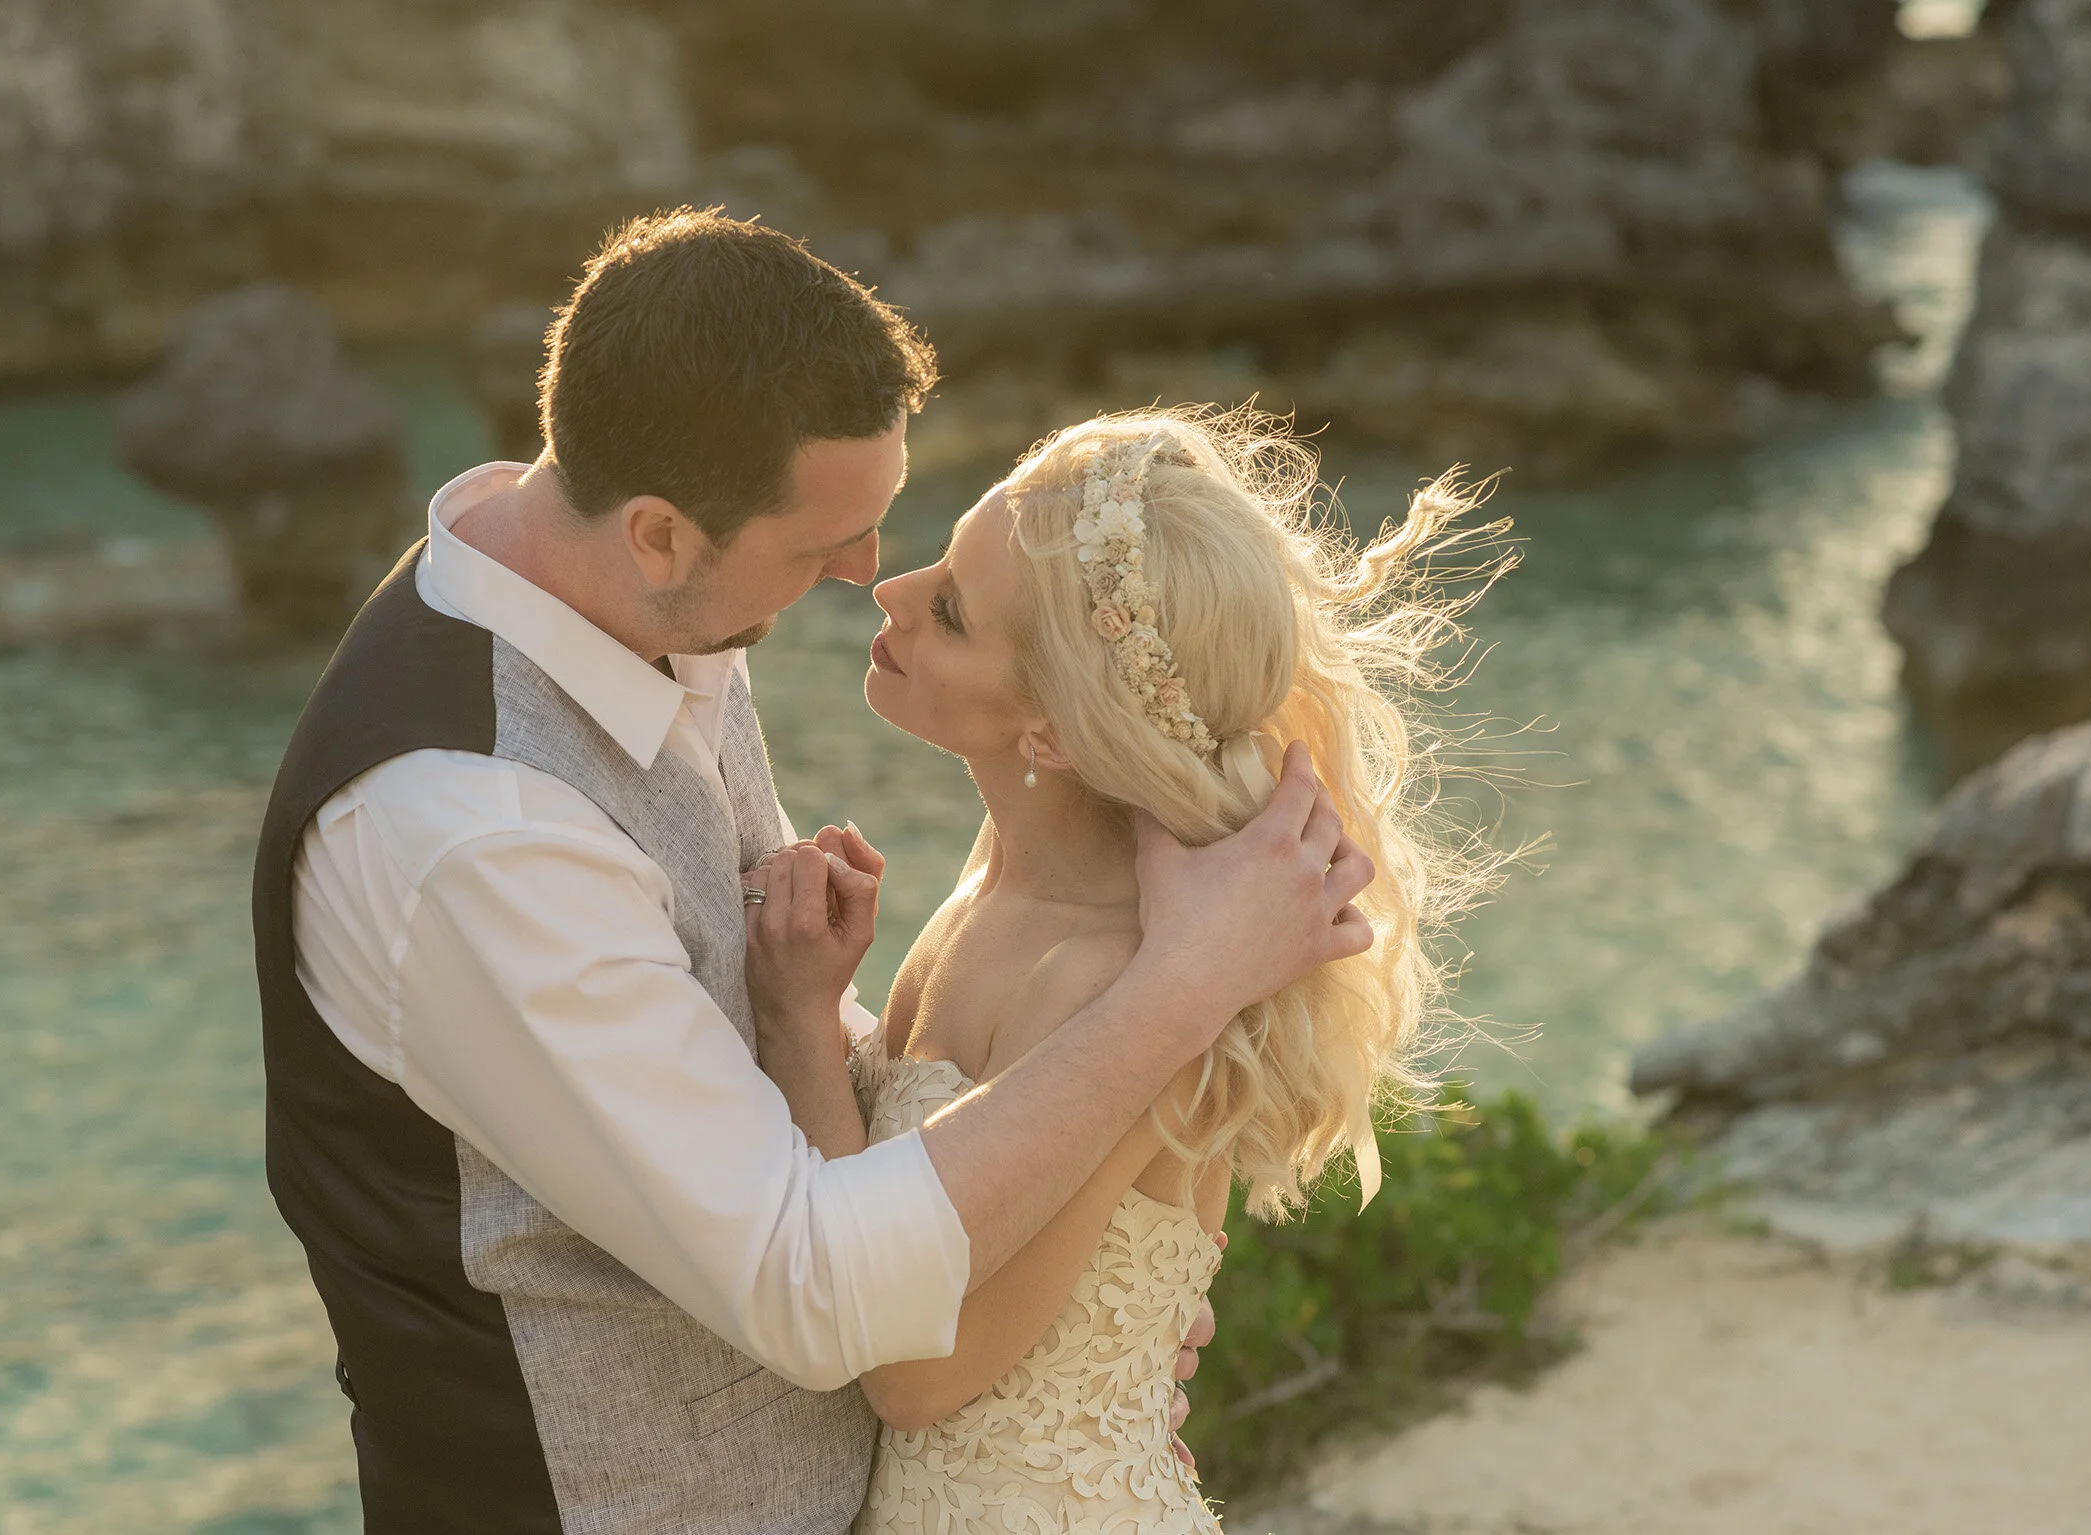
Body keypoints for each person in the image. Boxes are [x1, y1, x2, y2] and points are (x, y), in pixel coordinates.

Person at [249, 208, 1375, 1535]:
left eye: (890, 529)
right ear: (660, 532)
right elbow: (816, 1279)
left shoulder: (651, 601)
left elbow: (727, 1063)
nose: (863, 578)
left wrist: (1079, 1353)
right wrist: (1188, 982)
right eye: (817, 545)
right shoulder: (470, 832)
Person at [746, 408, 1503, 1529]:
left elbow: (913, 1374)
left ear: (1049, 730)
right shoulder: (991, 888)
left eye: (949, 608)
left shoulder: (1110, 972)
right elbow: (874, 1207)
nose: (889, 591)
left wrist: (797, 1024)